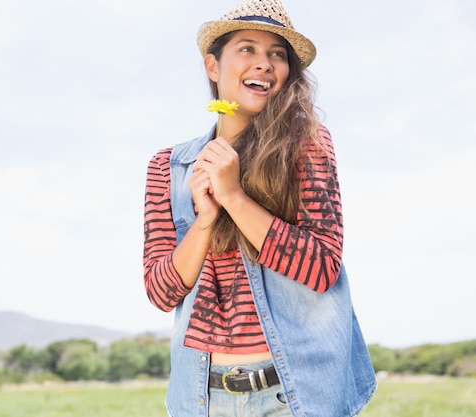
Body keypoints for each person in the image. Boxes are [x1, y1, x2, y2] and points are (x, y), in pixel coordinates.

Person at [142, 0, 377, 416]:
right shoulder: (168, 167)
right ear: (213, 67)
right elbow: (161, 293)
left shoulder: (308, 145)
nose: (264, 64)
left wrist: (234, 197)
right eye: (247, 49)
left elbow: (323, 268)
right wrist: (205, 221)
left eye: (277, 54)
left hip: (295, 395)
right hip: (203, 397)